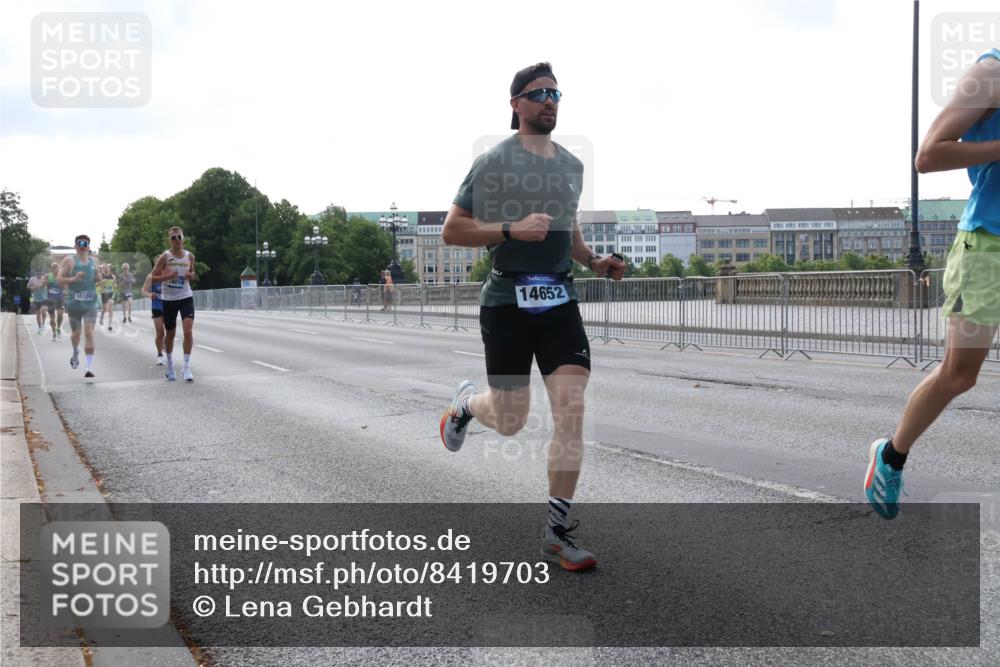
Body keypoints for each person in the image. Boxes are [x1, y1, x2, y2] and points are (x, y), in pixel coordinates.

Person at [438, 62, 625, 571]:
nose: (549, 101)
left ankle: (555, 534)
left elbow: (569, 230)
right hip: (506, 303)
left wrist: (594, 261)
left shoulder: (571, 166)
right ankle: (465, 407)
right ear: (516, 104)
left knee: (571, 407)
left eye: (555, 94)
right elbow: (453, 230)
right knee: (511, 420)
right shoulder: (494, 162)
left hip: (559, 301)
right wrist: (511, 229)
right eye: (539, 93)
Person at [865, 48, 1000, 519]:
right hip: (988, 248)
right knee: (959, 375)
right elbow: (929, 154)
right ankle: (891, 455)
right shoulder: (992, 72)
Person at [151, 226, 197, 382]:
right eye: (173, 237)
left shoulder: (190, 256)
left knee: (188, 331)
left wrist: (190, 275)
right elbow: (153, 277)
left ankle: (186, 367)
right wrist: (168, 276)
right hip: (169, 299)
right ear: (169, 240)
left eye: (179, 237)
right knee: (170, 334)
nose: (177, 240)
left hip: (185, 297)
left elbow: (193, 273)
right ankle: (170, 365)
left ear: (183, 239)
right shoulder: (165, 257)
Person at [59, 235, 100, 378]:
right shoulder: (69, 261)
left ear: (89, 246)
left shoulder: (94, 261)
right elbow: (59, 279)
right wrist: (73, 278)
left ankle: (89, 367)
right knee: (76, 334)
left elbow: (98, 278)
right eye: (80, 243)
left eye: (85, 243)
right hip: (74, 303)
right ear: (75, 246)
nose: (83, 245)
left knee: (89, 333)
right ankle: (76, 352)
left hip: (91, 303)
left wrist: (99, 278)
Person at [141, 256, 166, 365]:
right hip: (157, 306)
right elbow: (143, 290)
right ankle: (160, 354)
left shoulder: (169, 274)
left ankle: (166, 347)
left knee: (169, 332)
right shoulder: (151, 276)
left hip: (169, 306)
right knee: (160, 332)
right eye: (157, 263)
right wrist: (150, 295)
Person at [44, 262, 65, 340]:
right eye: (55, 269)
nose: (57, 270)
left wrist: (65, 289)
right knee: (52, 318)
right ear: (52, 269)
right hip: (51, 299)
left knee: (60, 315)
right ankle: (54, 332)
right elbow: (43, 284)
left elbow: (65, 286)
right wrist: (45, 283)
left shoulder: (61, 276)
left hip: (60, 298)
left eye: (58, 268)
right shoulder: (48, 276)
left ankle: (58, 327)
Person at [98, 263, 117, 330]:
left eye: (107, 267)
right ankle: (101, 317)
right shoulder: (101, 276)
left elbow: (115, 284)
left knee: (110, 308)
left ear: (109, 269)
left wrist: (115, 285)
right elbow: (96, 284)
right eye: (105, 268)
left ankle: (110, 324)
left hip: (111, 293)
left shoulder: (113, 276)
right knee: (105, 309)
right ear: (103, 269)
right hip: (104, 293)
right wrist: (101, 282)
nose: (106, 269)